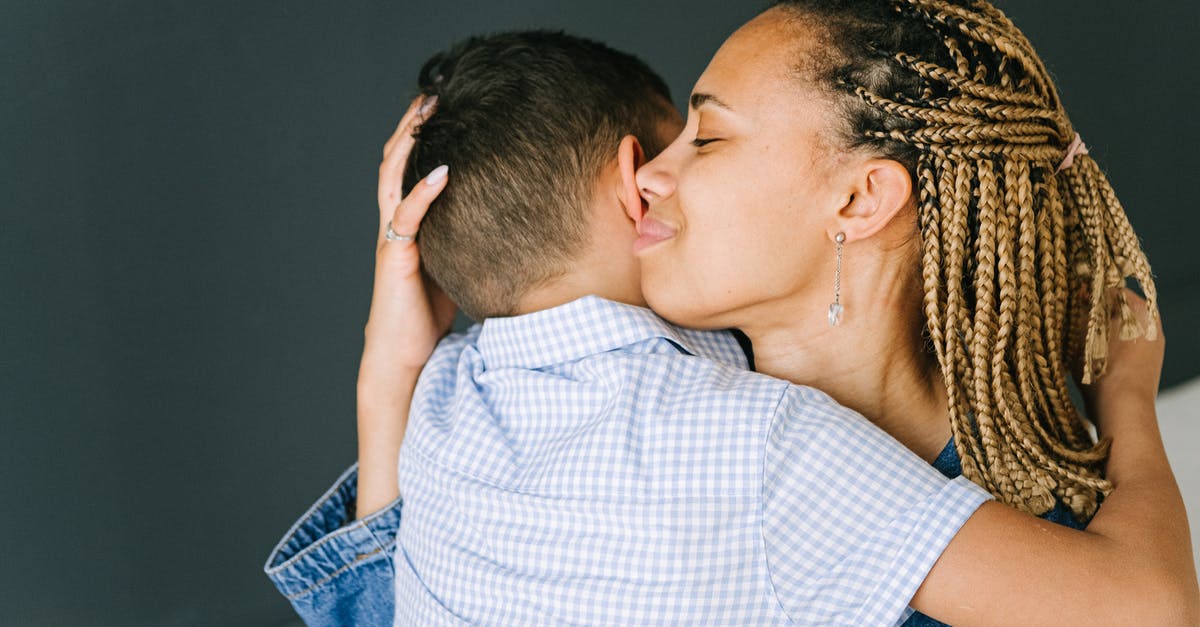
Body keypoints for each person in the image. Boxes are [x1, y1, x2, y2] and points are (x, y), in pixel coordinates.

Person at [263, 19, 1195, 627]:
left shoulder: (1009, 526)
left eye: (705, 138)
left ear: (862, 197)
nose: (651, 178)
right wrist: (1128, 399)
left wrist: (395, 370)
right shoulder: (694, 442)